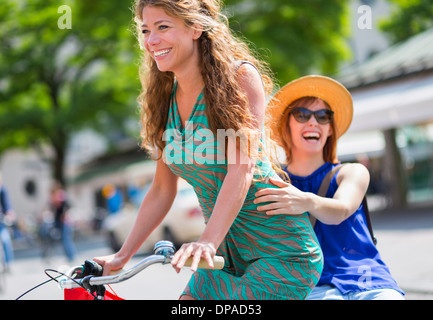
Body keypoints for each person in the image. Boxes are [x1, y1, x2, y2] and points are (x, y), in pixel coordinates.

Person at [94, 0, 323, 300]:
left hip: (280, 251)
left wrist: (207, 242)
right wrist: (121, 256)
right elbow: (162, 190)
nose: (151, 40)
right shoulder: (164, 99)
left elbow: (241, 168)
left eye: (163, 27)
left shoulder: (239, 78)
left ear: (195, 27)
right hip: (221, 254)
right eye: (146, 30)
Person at [255, 75, 405, 300]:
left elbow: (341, 210)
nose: (313, 122)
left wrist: (306, 201)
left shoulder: (352, 172)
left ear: (330, 129)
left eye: (323, 116)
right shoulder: (271, 181)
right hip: (310, 286)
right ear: (286, 124)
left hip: (369, 281)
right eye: (302, 114)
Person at [0, 171, 15, 271]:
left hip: (1, 219)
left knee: (5, 239)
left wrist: (9, 214)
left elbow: (7, 204)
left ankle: (8, 263)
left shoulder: (2, 189)